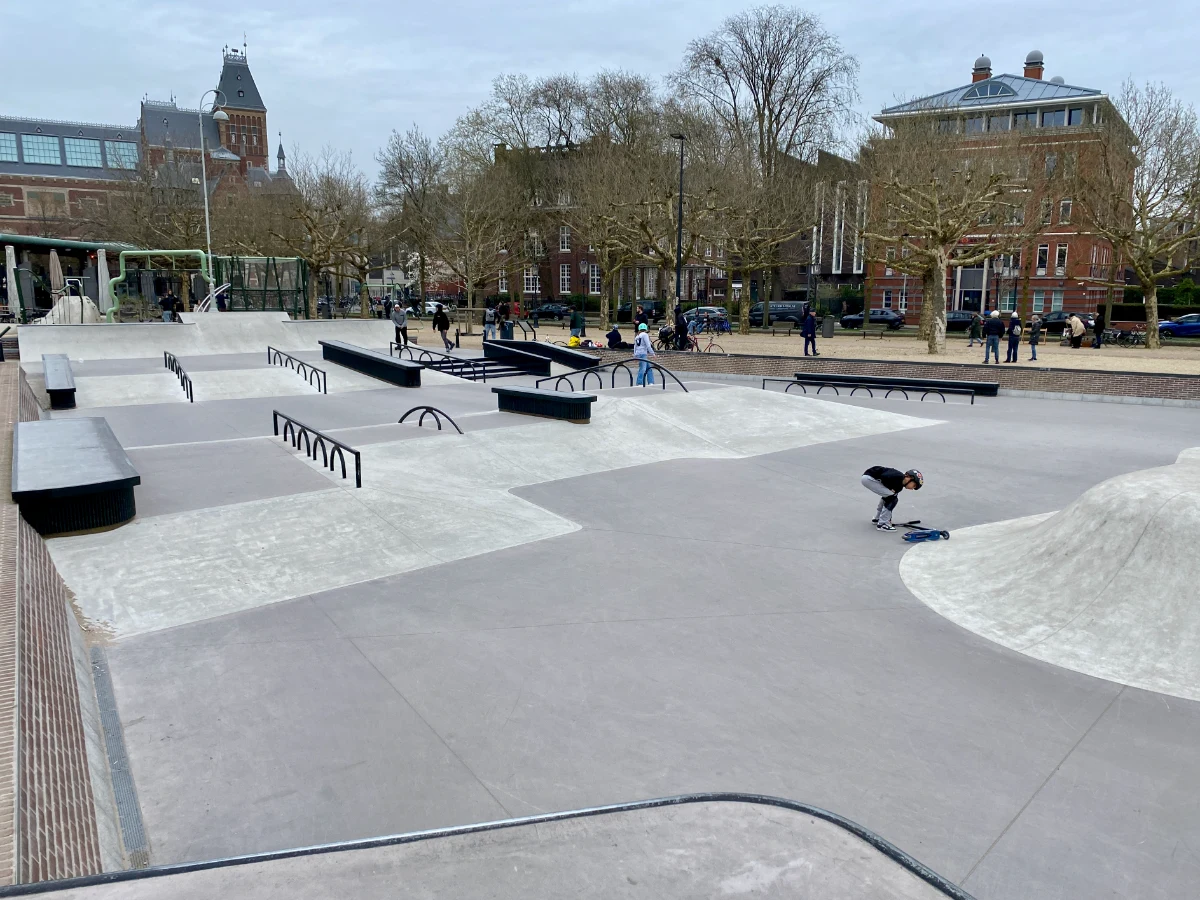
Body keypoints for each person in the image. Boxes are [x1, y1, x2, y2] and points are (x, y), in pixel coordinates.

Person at [861, 466, 923, 531]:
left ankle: (878, 518)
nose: (912, 488)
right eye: (914, 485)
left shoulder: (899, 486)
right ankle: (883, 524)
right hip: (869, 478)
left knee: (890, 496)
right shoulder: (898, 476)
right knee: (892, 498)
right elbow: (884, 476)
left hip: (869, 478)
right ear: (910, 478)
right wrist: (889, 487)